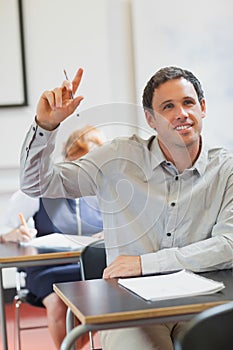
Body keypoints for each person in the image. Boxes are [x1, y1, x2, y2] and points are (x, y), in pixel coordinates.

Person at [20, 66, 233, 350]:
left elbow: (228, 245)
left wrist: (144, 264)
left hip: (204, 304)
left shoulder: (226, 170)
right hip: (130, 310)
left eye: (188, 102)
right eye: (167, 106)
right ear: (150, 119)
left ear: (202, 108)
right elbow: (38, 185)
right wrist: (45, 128)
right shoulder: (118, 158)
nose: (181, 113)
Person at [2, 125, 104, 349]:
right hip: (47, 269)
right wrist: (14, 234)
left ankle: (71, 347)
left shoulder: (106, 192)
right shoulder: (40, 188)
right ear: (66, 158)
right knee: (59, 302)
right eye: (78, 162)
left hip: (90, 268)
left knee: (108, 301)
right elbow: (5, 230)